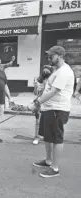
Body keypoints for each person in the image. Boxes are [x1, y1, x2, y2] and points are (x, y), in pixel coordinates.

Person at [28, 46, 74, 178]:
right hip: (48, 108)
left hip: (57, 110)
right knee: (48, 137)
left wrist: (37, 103)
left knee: (56, 139)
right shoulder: (56, 70)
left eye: (51, 56)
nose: (49, 59)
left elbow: (54, 91)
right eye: (48, 56)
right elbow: (48, 90)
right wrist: (38, 99)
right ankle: (48, 161)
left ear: (59, 56)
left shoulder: (64, 71)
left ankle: (55, 168)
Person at [32, 65, 54, 145]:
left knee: (48, 121)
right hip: (40, 102)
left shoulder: (53, 80)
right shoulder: (38, 80)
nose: (45, 72)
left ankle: (47, 137)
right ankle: (36, 137)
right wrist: (35, 86)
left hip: (49, 103)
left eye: (47, 71)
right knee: (38, 120)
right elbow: (35, 93)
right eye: (44, 71)